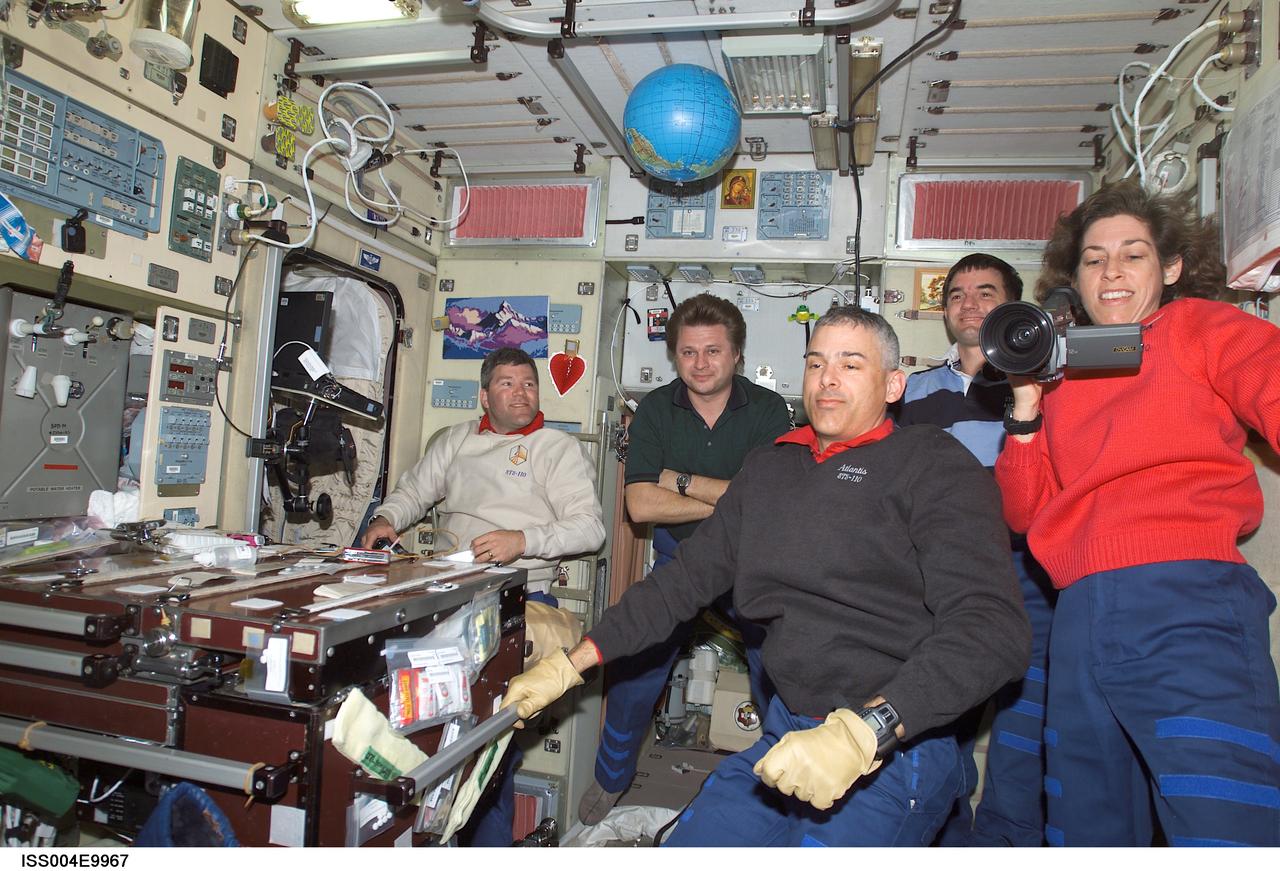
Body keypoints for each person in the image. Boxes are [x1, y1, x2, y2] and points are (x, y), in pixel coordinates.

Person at [509, 306, 1031, 846]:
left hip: (895, 743)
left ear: (893, 384)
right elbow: (679, 583)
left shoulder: (933, 465)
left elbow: (993, 629)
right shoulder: (770, 469)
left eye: (851, 365)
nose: (828, 378)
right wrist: (571, 665)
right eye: (816, 363)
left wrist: (866, 730)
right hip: (789, 729)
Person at [994, 179, 1280, 847]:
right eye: (1094, 258)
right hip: (1080, 614)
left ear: (1171, 267)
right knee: (1085, 832)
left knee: (1226, 824)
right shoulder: (1061, 370)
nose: (1112, 272)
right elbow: (1021, 510)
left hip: (1188, 601)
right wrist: (1028, 405)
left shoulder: (1200, 327)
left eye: (1133, 254)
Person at [361, 347, 605, 846]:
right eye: (507, 384)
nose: (521, 393)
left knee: (486, 748)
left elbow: (590, 529)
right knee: (415, 728)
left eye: (528, 383)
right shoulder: (456, 442)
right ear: (484, 394)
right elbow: (413, 492)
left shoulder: (555, 448)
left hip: (521, 603)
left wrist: (523, 541)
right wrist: (387, 520)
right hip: (448, 595)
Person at [578, 292, 791, 825]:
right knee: (633, 676)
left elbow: (766, 501)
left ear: (737, 354)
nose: (700, 363)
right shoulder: (655, 408)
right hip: (680, 562)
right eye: (689, 352)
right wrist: (728, 491)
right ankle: (612, 780)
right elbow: (639, 502)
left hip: (751, 563)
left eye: (713, 351)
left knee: (784, 676)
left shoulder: (769, 410)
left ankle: (786, 791)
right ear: (675, 355)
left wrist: (680, 479)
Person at [895, 253, 1055, 846]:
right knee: (941, 713)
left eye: (985, 293)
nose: (969, 304)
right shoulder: (908, 392)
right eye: (957, 294)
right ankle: (945, 835)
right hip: (938, 578)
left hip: (1026, 570)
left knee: (1025, 720)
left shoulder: (1037, 389)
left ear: (1012, 305)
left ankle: (1007, 844)